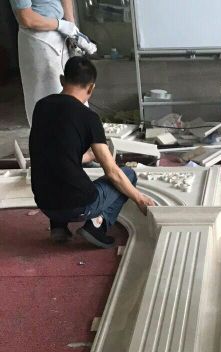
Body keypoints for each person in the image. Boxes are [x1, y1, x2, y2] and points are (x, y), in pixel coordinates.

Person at [29, 56, 155, 247]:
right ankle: (97, 226)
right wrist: (139, 198)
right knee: (128, 174)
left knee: (56, 170)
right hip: (78, 206)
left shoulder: (41, 106)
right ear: (91, 88)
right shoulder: (89, 117)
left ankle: (59, 228)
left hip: (44, 203)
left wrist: (88, 156)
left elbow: (55, 153)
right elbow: (112, 173)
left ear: (62, 80)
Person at [9, 0, 80, 125]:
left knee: (74, 97)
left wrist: (72, 28)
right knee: (48, 102)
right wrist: (62, 25)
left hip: (62, 33)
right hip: (38, 38)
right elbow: (26, 18)